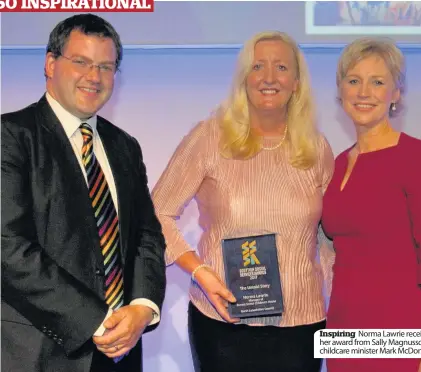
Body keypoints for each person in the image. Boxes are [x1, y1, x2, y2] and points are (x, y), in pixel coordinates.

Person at [151, 31, 334, 372]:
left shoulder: (316, 148)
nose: (268, 77)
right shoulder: (209, 136)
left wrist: (342, 304)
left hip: (303, 325)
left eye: (281, 67)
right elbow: (156, 213)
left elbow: (326, 236)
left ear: (296, 83)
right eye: (257, 66)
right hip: (222, 322)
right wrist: (200, 271)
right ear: (243, 79)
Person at [1, 14, 166, 372]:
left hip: (119, 353)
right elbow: (7, 247)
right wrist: (96, 318)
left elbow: (147, 237)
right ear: (50, 63)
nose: (94, 77)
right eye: (82, 62)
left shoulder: (124, 146)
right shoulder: (10, 137)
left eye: (106, 67)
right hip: (38, 354)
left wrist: (142, 306)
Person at [321, 37, 421, 372]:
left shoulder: (418, 157)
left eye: (378, 82)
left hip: (402, 334)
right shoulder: (337, 164)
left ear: (396, 93)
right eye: (354, 81)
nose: (364, 92)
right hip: (344, 333)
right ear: (341, 90)